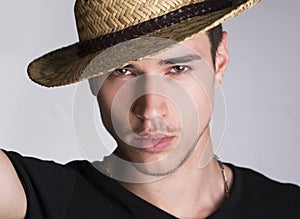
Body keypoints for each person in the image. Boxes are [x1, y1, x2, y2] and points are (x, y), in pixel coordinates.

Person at [1, 0, 299, 218]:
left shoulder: (288, 207)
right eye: (122, 71)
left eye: (178, 68)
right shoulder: (45, 199)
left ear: (219, 61)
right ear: (91, 79)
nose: (151, 110)